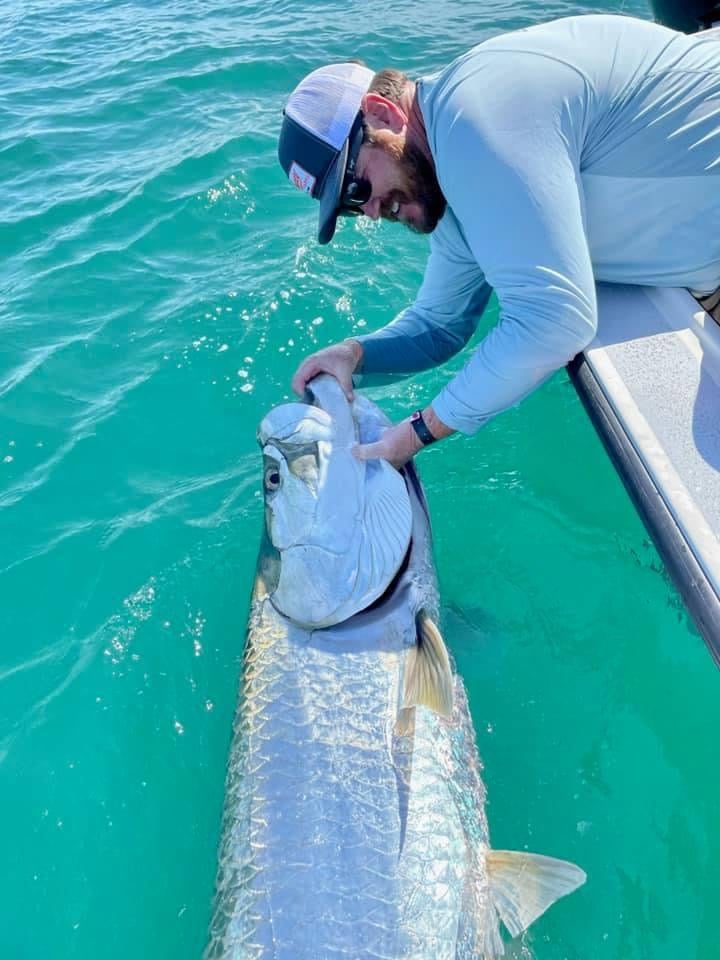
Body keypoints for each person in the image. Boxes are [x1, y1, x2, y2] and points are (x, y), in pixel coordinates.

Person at [277, 14, 720, 468]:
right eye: (350, 210)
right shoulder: (449, 170)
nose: (369, 212)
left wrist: (415, 433)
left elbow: (554, 320)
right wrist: (355, 354)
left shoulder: (475, 119)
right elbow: (440, 327)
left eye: (356, 189)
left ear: (382, 113)